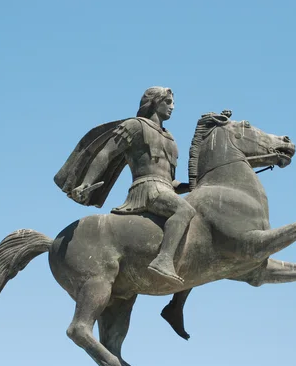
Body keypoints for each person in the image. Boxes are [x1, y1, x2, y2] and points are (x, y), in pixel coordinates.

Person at [54, 87, 195, 284]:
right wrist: (87, 182)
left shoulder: (170, 138)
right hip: (147, 188)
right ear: (155, 102)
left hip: (164, 188)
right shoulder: (135, 126)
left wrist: (191, 186)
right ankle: (163, 260)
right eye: (169, 102)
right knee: (184, 210)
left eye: (173, 103)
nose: (173, 107)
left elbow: (170, 181)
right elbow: (106, 153)